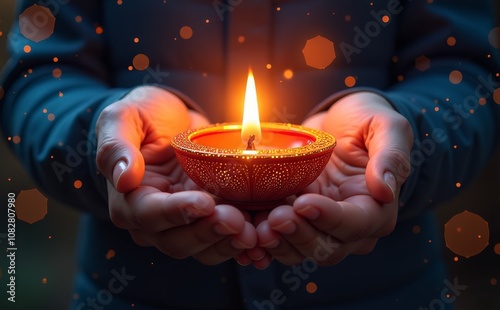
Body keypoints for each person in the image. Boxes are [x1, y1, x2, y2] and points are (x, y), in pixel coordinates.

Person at [1, 0, 499, 309]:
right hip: (131, 293)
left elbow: (469, 74)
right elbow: (41, 77)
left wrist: (404, 139)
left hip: (387, 293)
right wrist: (102, 142)